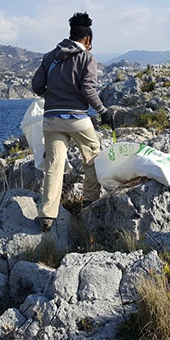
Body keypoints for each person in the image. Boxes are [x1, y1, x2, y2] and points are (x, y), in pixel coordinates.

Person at [32, 12, 112, 232]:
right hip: (77, 118)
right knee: (92, 157)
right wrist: (103, 111)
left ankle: (47, 215)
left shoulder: (50, 57)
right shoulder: (87, 58)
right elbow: (88, 90)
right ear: (87, 39)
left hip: (51, 120)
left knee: (54, 164)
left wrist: (53, 92)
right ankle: (89, 202)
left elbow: (37, 86)